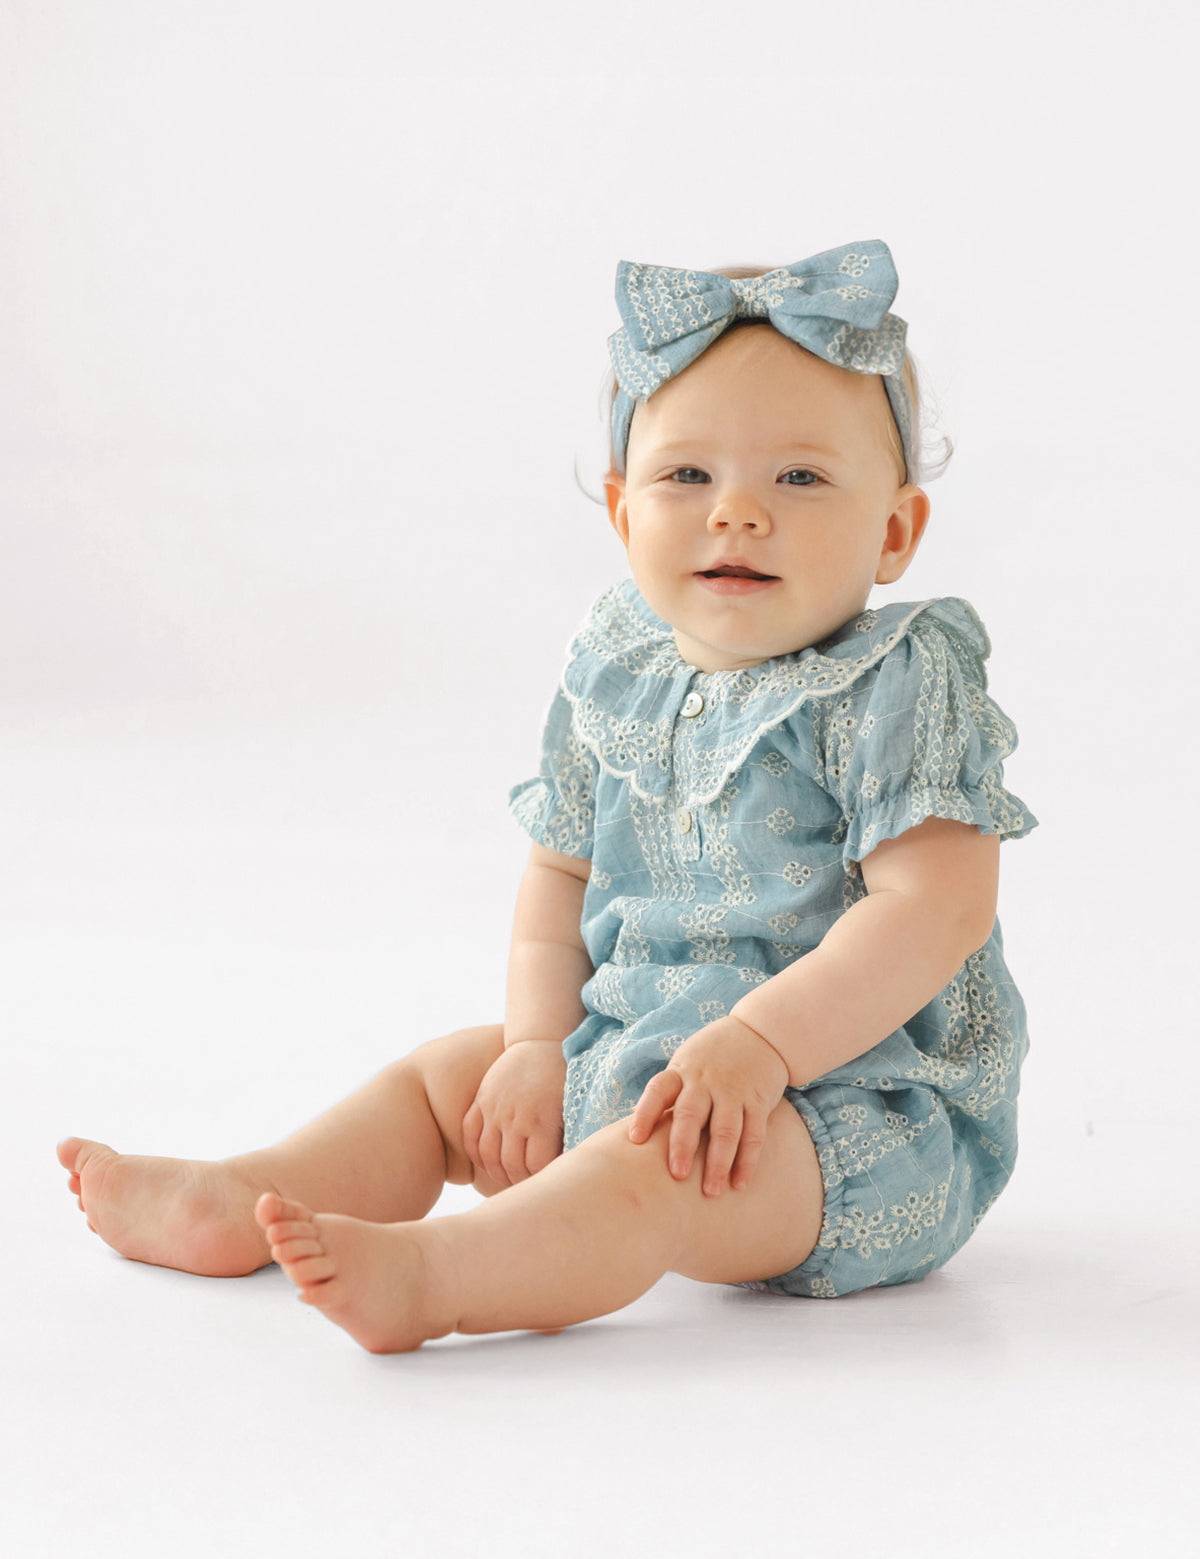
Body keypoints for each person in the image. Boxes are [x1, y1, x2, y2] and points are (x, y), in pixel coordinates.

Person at [57, 240, 1036, 1353]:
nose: (737, 513)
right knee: (446, 1082)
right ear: (622, 511)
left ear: (897, 530)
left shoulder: (900, 680)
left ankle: (443, 1277)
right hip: (637, 1046)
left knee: (649, 1172)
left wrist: (759, 1048)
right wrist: (534, 1045)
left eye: (800, 477)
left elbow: (931, 909)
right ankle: (242, 1195)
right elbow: (559, 869)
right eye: (687, 476)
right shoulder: (618, 662)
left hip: (846, 1114)